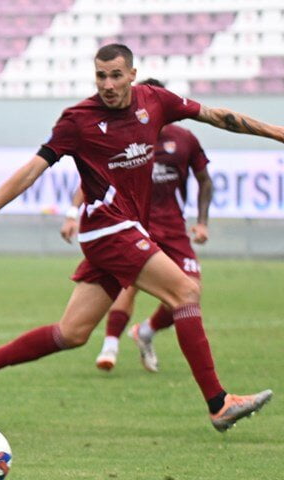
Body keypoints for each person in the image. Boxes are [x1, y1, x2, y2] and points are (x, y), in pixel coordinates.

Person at [0, 44, 275, 432]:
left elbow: (218, 116)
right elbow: (32, 170)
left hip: (125, 229)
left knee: (72, 333)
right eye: (101, 76)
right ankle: (219, 403)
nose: (108, 84)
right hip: (106, 228)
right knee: (186, 292)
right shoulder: (78, 120)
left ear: (133, 74)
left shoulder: (156, 101)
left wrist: (277, 132)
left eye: (116, 75)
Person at [59, 79, 214, 373]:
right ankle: (110, 346)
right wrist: (71, 213)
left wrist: (203, 223)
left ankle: (146, 331)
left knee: (189, 291)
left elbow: (205, 180)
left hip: (174, 229)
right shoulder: (123, 138)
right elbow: (92, 182)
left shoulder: (185, 139)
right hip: (130, 225)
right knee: (126, 287)